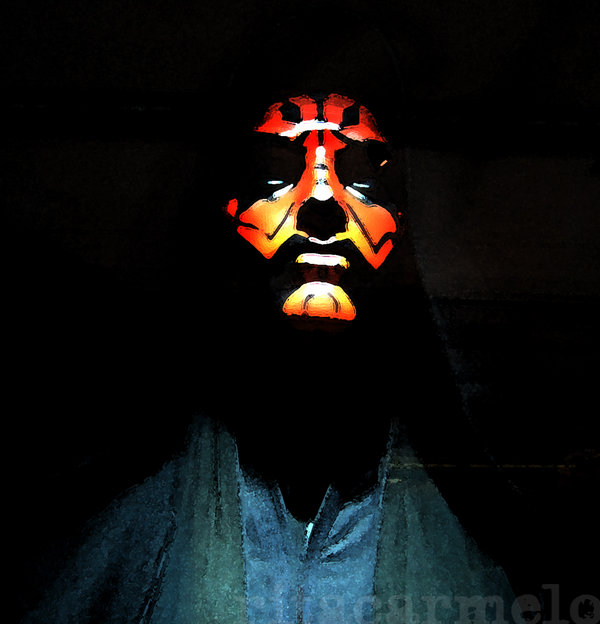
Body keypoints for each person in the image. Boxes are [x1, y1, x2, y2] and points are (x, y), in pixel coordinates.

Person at [22, 86, 519, 624]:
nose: (322, 210)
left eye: (361, 182)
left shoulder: (453, 499)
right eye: (275, 179)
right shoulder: (144, 493)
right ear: (228, 210)